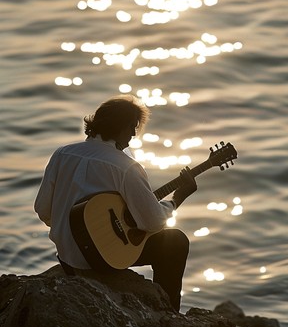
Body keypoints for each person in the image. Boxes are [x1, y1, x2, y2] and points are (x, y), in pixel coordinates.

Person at [34, 95, 197, 311]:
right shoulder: (126, 167)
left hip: (67, 260)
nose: (132, 134)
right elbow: (154, 222)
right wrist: (177, 199)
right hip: (100, 264)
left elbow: (43, 209)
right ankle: (169, 314)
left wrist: (90, 228)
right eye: (132, 127)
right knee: (175, 241)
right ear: (120, 127)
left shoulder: (61, 154)